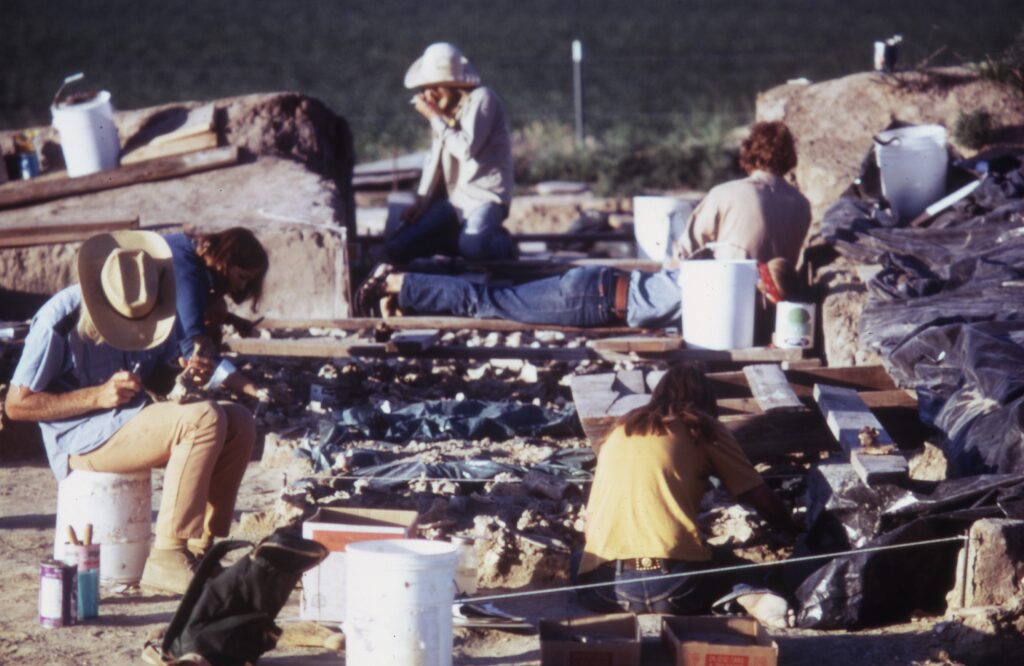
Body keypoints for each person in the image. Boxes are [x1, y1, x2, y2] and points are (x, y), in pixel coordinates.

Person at [357, 121, 811, 328]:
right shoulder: (802, 207)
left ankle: (405, 290)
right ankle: (400, 284)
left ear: (750, 155)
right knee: (488, 301)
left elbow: (679, 257)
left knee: (494, 298)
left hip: (604, 292)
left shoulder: (728, 195)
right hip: (597, 298)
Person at [4, 231, 256, 595]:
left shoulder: (152, 304)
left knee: (238, 422)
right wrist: (96, 396)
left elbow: (157, 377)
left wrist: (185, 374)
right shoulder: (61, 316)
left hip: (131, 421)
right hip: (82, 438)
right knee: (204, 419)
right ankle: (167, 557)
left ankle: (202, 551)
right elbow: (17, 404)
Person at [573, 363, 800, 617]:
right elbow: (757, 494)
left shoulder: (620, 428)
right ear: (706, 400)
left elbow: (591, 526)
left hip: (606, 591)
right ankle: (748, 593)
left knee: (579, 558)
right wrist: (792, 530)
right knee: (733, 566)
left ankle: (739, 595)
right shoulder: (700, 426)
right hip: (676, 587)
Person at [383, 42, 516, 264]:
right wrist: (421, 202)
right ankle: (462, 241)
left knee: (473, 247)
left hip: (485, 198)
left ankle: (500, 244)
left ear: (455, 86)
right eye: (426, 88)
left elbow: (465, 149)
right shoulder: (444, 116)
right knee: (399, 246)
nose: (430, 94)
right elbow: (433, 161)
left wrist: (434, 117)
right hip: (455, 201)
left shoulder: (483, 99)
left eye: (437, 87)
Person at [165, 227, 289, 403]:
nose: (242, 286)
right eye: (242, 277)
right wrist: (252, 389)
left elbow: (190, 305)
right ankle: (170, 368)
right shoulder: (188, 273)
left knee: (217, 308)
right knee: (208, 327)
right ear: (226, 260)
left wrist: (233, 320)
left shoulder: (191, 248)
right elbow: (193, 348)